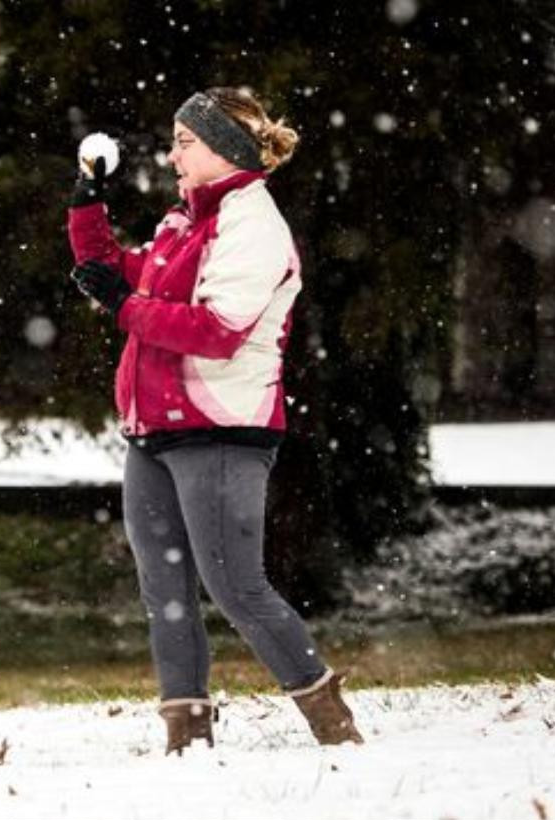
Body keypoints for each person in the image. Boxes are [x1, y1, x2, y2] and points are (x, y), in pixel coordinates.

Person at [67, 87, 363, 752]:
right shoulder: (186, 224)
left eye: (184, 142)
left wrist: (121, 304)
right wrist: (86, 208)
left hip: (221, 426)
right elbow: (119, 272)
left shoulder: (252, 226)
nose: (172, 155)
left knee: (235, 585)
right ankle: (187, 734)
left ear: (224, 149)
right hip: (156, 429)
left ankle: (331, 721)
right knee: (165, 588)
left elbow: (217, 330)